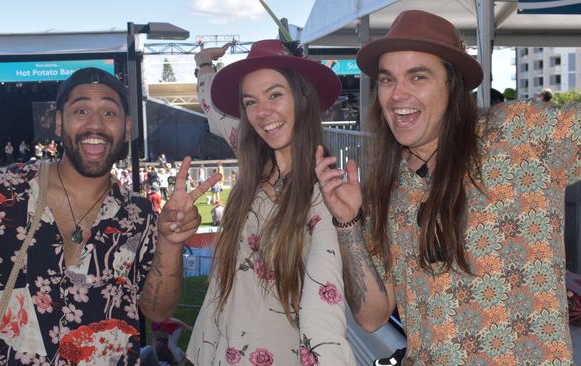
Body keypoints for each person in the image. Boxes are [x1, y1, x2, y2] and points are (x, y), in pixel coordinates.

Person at [315, 10, 578, 364]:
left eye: (418, 76)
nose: (398, 95)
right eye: (387, 80)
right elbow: (371, 316)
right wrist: (347, 224)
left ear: (451, 85)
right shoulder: (385, 189)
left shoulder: (519, 134)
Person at [0, 67, 220, 365]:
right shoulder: (5, 193)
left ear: (128, 127)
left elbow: (157, 311)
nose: (95, 124)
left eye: (109, 113)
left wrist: (171, 243)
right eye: (81, 110)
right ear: (58, 122)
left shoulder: (139, 214)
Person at [187, 39, 355, 365]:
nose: (262, 113)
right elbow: (214, 109)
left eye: (275, 95)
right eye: (250, 102)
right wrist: (204, 65)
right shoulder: (253, 152)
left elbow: (325, 305)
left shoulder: (327, 193)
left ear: (303, 99)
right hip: (212, 351)